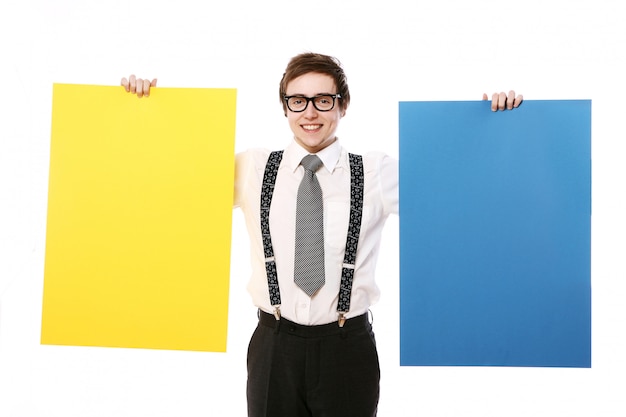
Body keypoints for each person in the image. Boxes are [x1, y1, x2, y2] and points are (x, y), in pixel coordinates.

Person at [121, 52, 522, 417]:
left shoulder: (376, 172)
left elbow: (458, 195)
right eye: (298, 100)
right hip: (273, 345)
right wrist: (144, 113)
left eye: (323, 100)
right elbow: (172, 184)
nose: (310, 113)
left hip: (347, 348)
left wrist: (496, 127)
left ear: (342, 105)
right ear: (285, 108)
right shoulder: (252, 167)